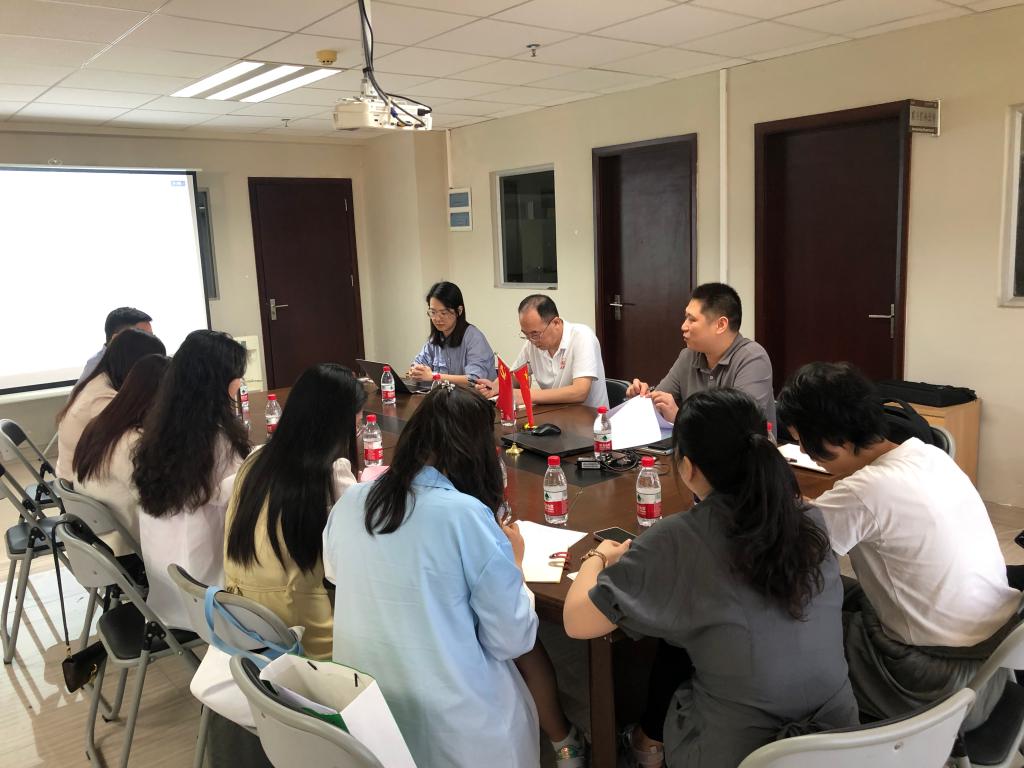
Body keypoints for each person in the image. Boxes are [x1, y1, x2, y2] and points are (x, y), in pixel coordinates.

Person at [564, 388, 857, 768]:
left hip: (746, 753)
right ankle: (648, 742)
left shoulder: (678, 538)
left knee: (678, 642)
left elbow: (578, 622)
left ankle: (644, 746)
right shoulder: (809, 518)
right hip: (844, 742)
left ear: (688, 467)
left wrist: (599, 557)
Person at [323, 385, 586, 767]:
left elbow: (335, 573)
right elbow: (512, 638)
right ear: (477, 452)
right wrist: (514, 563)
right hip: (457, 732)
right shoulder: (465, 516)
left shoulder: (352, 500)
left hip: (367, 720)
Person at [777, 361, 1019, 728]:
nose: (803, 452)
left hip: (933, 681)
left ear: (836, 440)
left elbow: (787, 554)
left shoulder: (863, 491)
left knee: (785, 624)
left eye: (803, 442)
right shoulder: (928, 454)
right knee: (838, 590)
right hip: (995, 659)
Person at [224, 363, 367, 661]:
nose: (360, 423)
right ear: (339, 421)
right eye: (358, 416)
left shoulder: (255, 460)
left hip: (243, 620)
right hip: (303, 632)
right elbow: (361, 547)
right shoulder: (331, 473)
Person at [133, 330, 250, 631]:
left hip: (167, 586)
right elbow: (235, 492)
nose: (240, 383)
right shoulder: (214, 438)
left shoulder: (163, 424)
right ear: (218, 381)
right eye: (237, 376)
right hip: (204, 595)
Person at [625, 283, 775, 426]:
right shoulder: (688, 356)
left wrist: (679, 418)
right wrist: (643, 400)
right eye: (686, 318)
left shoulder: (752, 359)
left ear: (721, 325)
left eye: (692, 319)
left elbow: (739, 428)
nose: (683, 326)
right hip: (690, 444)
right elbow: (660, 404)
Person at [73, 353, 170, 554]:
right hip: (127, 550)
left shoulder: (101, 425)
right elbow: (161, 505)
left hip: (95, 544)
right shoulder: (133, 443)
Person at [55, 328, 167, 480]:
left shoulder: (101, 379)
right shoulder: (102, 400)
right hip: (79, 483)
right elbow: (138, 445)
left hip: (82, 477)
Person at [476, 294, 608, 409]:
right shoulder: (532, 344)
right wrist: (495, 386)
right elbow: (515, 376)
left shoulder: (582, 336)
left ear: (556, 323)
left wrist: (526, 395)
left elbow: (580, 392)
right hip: (554, 415)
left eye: (535, 334)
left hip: (591, 420)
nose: (531, 340)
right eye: (526, 334)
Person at [406, 281, 497, 388]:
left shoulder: (474, 338)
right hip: (444, 397)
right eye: (433, 312)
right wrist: (415, 371)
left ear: (459, 310)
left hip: (474, 397)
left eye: (443, 313)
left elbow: (474, 379)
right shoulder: (434, 339)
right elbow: (418, 364)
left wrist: (434, 376)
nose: (437, 318)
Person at [78, 307, 153, 384]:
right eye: (142, 337)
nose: (150, 342)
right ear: (116, 339)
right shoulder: (97, 369)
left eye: (151, 336)